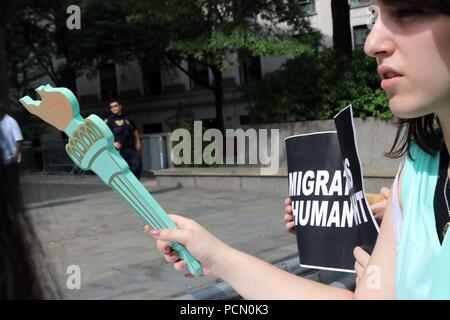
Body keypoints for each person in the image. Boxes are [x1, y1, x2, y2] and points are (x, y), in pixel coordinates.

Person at [146, 0, 450, 299]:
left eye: (407, 12)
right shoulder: (416, 169)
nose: (371, 44)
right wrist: (215, 256)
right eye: (375, 17)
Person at [104, 99, 143, 179]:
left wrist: (138, 142)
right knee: (122, 170)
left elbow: (135, 130)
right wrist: (113, 143)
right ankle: (128, 184)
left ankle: (135, 183)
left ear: (120, 106)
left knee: (137, 165)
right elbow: (103, 134)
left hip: (130, 147)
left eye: (115, 106)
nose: (113, 108)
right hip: (118, 150)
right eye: (111, 107)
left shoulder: (128, 118)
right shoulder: (109, 120)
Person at [0, 102, 23, 185]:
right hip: (2, 160)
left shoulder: (11, 121)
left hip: (11, 160)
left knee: (12, 184)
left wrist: (15, 156)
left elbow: (18, 139)